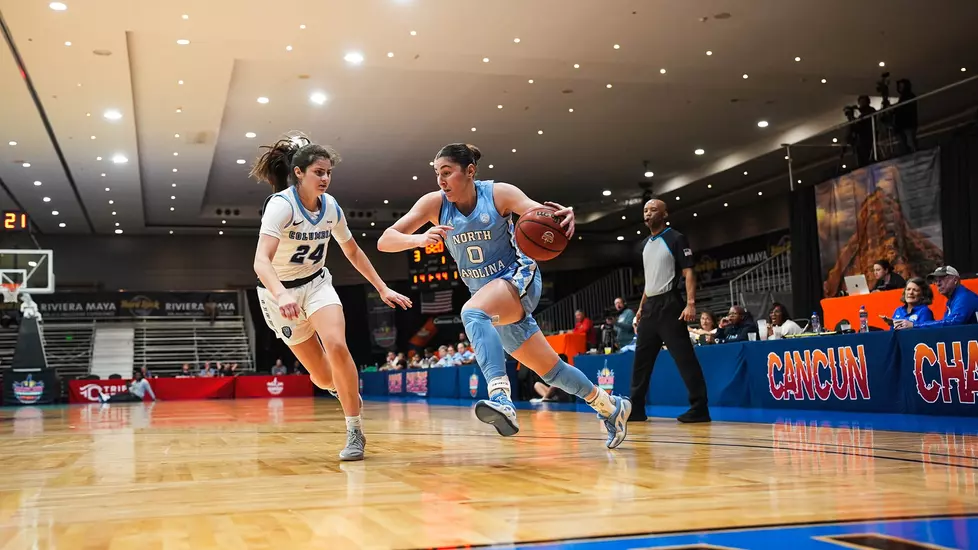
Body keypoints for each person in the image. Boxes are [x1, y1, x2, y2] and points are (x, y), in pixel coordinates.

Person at [378, 143, 631, 448]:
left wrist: (562, 217)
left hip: (518, 277)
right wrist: (417, 239)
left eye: (447, 173)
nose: (440, 181)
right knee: (552, 372)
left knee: (472, 313)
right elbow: (385, 240)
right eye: (437, 174)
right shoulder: (435, 204)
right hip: (489, 296)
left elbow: (542, 216)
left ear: (470, 171)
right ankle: (611, 407)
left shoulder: (499, 194)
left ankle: (501, 397)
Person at [250, 135, 411, 461]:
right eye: (318, 172)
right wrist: (281, 295)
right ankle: (341, 387)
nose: (324, 178)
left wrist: (381, 287)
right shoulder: (282, 206)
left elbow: (351, 250)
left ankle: (354, 430)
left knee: (337, 345)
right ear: (298, 172)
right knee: (323, 377)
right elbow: (260, 261)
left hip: (317, 284)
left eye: (328, 173)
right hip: (278, 292)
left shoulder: (332, 208)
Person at [629, 199, 709, 423]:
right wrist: (641, 308)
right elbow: (650, 281)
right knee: (640, 361)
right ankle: (636, 408)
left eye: (653, 210)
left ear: (665, 214)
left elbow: (689, 271)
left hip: (670, 305)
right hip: (650, 307)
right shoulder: (646, 244)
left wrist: (690, 302)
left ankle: (699, 408)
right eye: (645, 210)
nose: (648, 214)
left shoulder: (675, 238)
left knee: (685, 358)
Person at [895, 266, 978, 329]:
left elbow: (953, 323)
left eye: (942, 279)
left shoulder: (964, 297)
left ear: (955, 280)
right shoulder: (953, 299)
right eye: (936, 281)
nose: (938, 284)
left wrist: (914, 325)